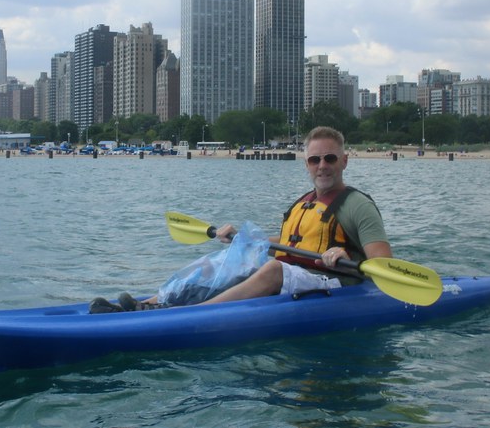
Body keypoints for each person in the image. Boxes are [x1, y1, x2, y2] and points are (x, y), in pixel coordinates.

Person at [89, 126, 392, 313]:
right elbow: (290, 242)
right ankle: (154, 303)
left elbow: (382, 265)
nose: (322, 166)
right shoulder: (305, 202)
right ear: (307, 164)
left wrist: (342, 253)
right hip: (299, 273)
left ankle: (194, 314)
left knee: (273, 268)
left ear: (344, 161)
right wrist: (246, 241)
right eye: (315, 159)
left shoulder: (357, 205)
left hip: (338, 284)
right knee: (232, 255)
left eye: (330, 158)